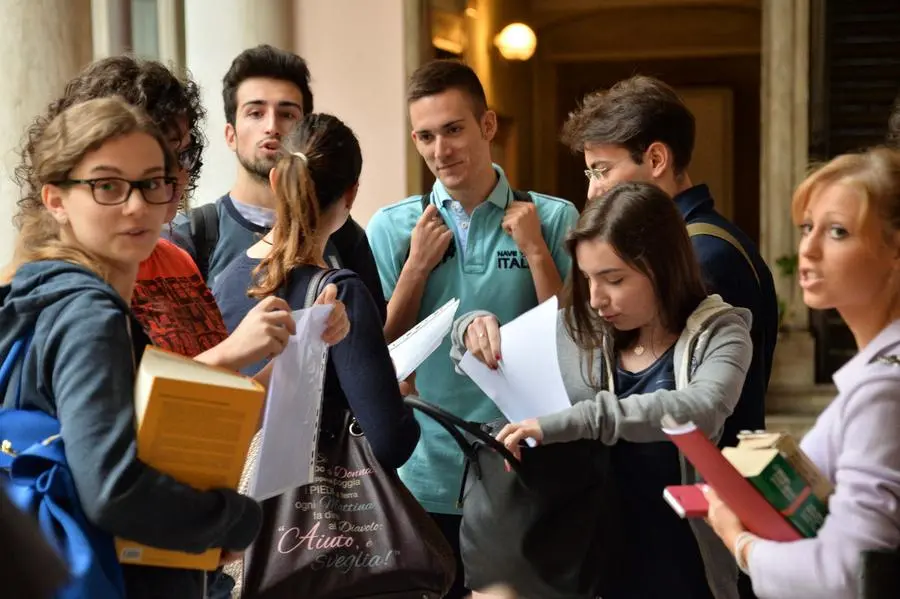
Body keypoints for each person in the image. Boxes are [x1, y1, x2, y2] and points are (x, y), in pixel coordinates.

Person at [0, 97, 261, 598]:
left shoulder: (31, 293)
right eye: (107, 186)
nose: (138, 205)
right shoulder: (88, 316)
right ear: (55, 200)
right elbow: (113, 489)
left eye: (151, 182)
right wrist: (230, 519)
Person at [456, 182, 752, 599]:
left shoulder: (722, 332)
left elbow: (700, 408)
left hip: (683, 565)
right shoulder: (587, 331)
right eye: (588, 278)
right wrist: (472, 326)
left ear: (662, 267)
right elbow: (491, 350)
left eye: (613, 279)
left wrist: (565, 423)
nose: (596, 298)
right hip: (588, 569)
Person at [366, 59, 579, 598]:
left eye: (455, 129)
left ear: (487, 126)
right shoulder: (392, 226)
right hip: (421, 469)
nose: (442, 150)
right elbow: (381, 353)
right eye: (427, 136)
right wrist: (415, 268)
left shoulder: (554, 219)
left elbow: (572, 339)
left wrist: (534, 250)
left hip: (520, 466)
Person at [13, 55, 349, 383]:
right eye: (114, 182)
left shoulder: (175, 259)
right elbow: (104, 424)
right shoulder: (57, 285)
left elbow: (219, 411)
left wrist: (304, 343)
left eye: (182, 155)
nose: (173, 175)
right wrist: (229, 352)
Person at [705, 147, 900, 599]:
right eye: (807, 227)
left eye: (837, 231)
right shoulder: (877, 375)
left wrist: (741, 544)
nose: (807, 249)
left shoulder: (884, 390)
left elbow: (849, 572)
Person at [560, 75, 778, 453]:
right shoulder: (708, 239)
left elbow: (682, 396)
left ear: (657, 159)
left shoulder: (703, 252)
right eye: (589, 173)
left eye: (602, 170)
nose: (593, 190)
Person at [213, 112, 420, 467]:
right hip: (315, 514)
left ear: (276, 179)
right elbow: (390, 443)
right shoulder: (341, 294)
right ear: (351, 195)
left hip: (239, 500)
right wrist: (404, 397)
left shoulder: (226, 280)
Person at [169, 44, 384, 318]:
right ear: (230, 134)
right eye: (255, 113)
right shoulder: (193, 235)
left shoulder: (345, 236)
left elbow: (374, 334)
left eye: (287, 114)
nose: (272, 126)